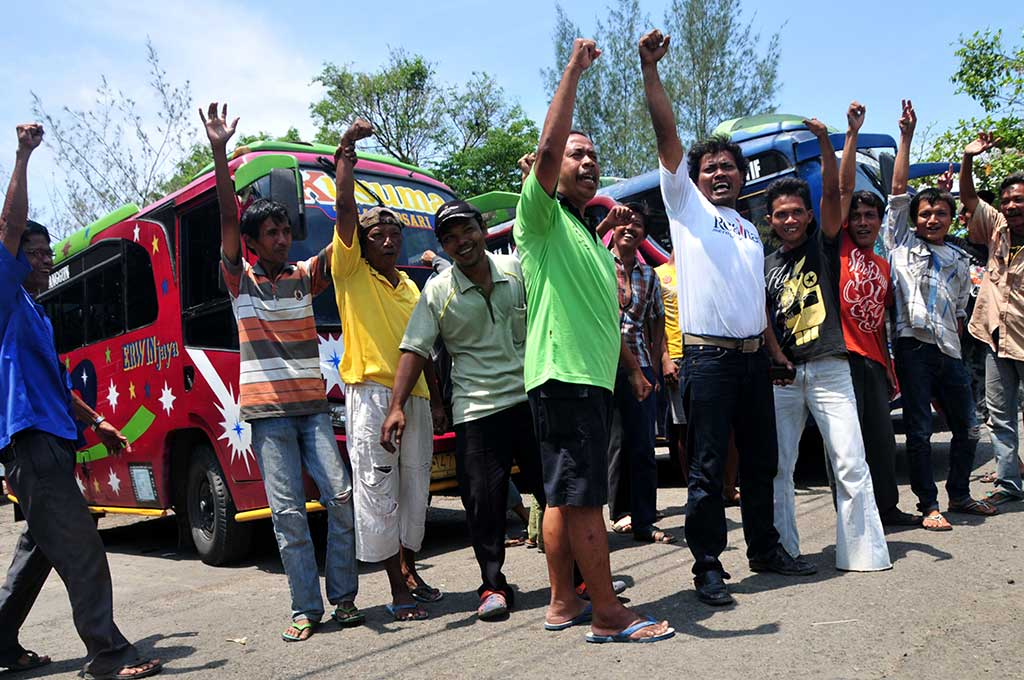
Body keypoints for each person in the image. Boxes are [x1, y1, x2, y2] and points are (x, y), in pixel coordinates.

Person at [640, 29, 816, 606]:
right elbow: (668, 135)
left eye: (729, 168)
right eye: (710, 168)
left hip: (752, 363)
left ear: (742, 177)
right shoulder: (686, 208)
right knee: (708, 470)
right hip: (707, 360)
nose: (720, 174)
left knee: (762, 462)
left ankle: (764, 549)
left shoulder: (748, 230)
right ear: (693, 179)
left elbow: (754, 302)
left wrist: (774, 353)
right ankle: (709, 567)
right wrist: (651, 70)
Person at [515, 37, 673, 643]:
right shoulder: (540, 215)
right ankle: (608, 614)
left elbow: (600, 313)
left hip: (580, 377)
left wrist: (629, 367)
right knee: (584, 500)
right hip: (567, 376)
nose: (588, 162)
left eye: (594, 157)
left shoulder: (581, 230)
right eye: (576, 154)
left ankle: (563, 603)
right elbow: (547, 147)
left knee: (563, 497)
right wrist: (573, 72)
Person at [0, 123, 162, 679]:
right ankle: (107, 655)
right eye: (34, 253)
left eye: (48, 252)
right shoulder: (6, 298)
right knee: (82, 547)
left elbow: (58, 389)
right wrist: (23, 155)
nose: (45, 260)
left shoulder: (37, 317)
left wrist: (99, 423)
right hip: (32, 445)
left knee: (39, 551)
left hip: (51, 445)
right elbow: (10, 224)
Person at [204, 103, 360, 641]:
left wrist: (345, 163)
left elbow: (345, 229)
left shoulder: (304, 276)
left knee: (340, 498)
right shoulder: (240, 281)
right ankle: (305, 609)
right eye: (270, 232)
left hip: (313, 410)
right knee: (288, 514)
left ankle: (344, 599)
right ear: (251, 242)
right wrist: (221, 151)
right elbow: (228, 218)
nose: (281, 238)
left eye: (285, 230)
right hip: (268, 416)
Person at [381, 200, 546, 620]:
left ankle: (579, 577)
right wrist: (396, 406)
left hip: (530, 398)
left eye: (467, 230)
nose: (462, 242)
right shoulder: (438, 291)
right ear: (443, 246)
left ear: (482, 230)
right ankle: (493, 586)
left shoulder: (516, 270)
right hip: (476, 409)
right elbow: (414, 348)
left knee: (556, 493)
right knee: (482, 504)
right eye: (450, 238)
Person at [762, 116, 891, 572]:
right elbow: (763, 318)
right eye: (781, 214)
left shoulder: (824, 246)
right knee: (780, 468)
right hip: (783, 376)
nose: (790, 219)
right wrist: (777, 357)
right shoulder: (765, 264)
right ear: (771, 220)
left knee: (850, 461)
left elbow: (838, 192)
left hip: (831, 367)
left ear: (810, 215)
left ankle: (862, 554)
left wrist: (829, 140)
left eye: (797, 211)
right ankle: (784, 549)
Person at [330, 119, 447, 622]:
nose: (388, 241)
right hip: (373, 396)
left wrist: (436, 399)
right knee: (378, 492)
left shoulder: (410, 286)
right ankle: (397, 591)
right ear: (362, 241)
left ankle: (411, 572)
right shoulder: (349, 271)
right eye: (378, 234)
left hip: (415, 397)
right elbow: (344, 209)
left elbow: (424, 349)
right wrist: (346, 151)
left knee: (413, 490)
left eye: (395, 235)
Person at [883, 100, 996, 529]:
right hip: (912, 348)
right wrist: (906, 136)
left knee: (968, 427)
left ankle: (960, 494)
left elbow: (962, 310)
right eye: (926, 213)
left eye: (941, 213)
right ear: (914, 219)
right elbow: (898, 190)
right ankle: (928, 505)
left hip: (949, 351)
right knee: (919, 431)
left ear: (952, 218)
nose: (933, 218)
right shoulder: (901, 243)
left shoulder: (959, 258)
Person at [832, 102, 919, 527]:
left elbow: (879, 323)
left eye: (871, 216)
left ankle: (886, 508)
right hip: (842, 360)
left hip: (873, 363)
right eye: (857, 216)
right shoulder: (839, 247)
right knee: (848, 447)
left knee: (882, 442)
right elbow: (843, 189)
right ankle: (853, 519)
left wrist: (888, 366)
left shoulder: (884, 263)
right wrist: (851, 135)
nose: (864, 221)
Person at [961, 130, 1024, 505]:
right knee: (1000, 416)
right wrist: (968, 158)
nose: (1012, 206)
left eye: (1019, 200)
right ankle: (1009, 482)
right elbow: (969, 199)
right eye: (1007, 200)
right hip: (995, 338)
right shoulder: (997, 228)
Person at [605, 202, 673, 544]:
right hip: (602, 363)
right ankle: (620, 513)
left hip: (642, 362)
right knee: (614, 442)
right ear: (612, 229)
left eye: (638, 225)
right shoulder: (598, 262)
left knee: (644, 443)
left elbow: (657, 318)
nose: (630, 228)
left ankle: (645, 519)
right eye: (625, 223)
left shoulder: (649, 274)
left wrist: (657, 360)